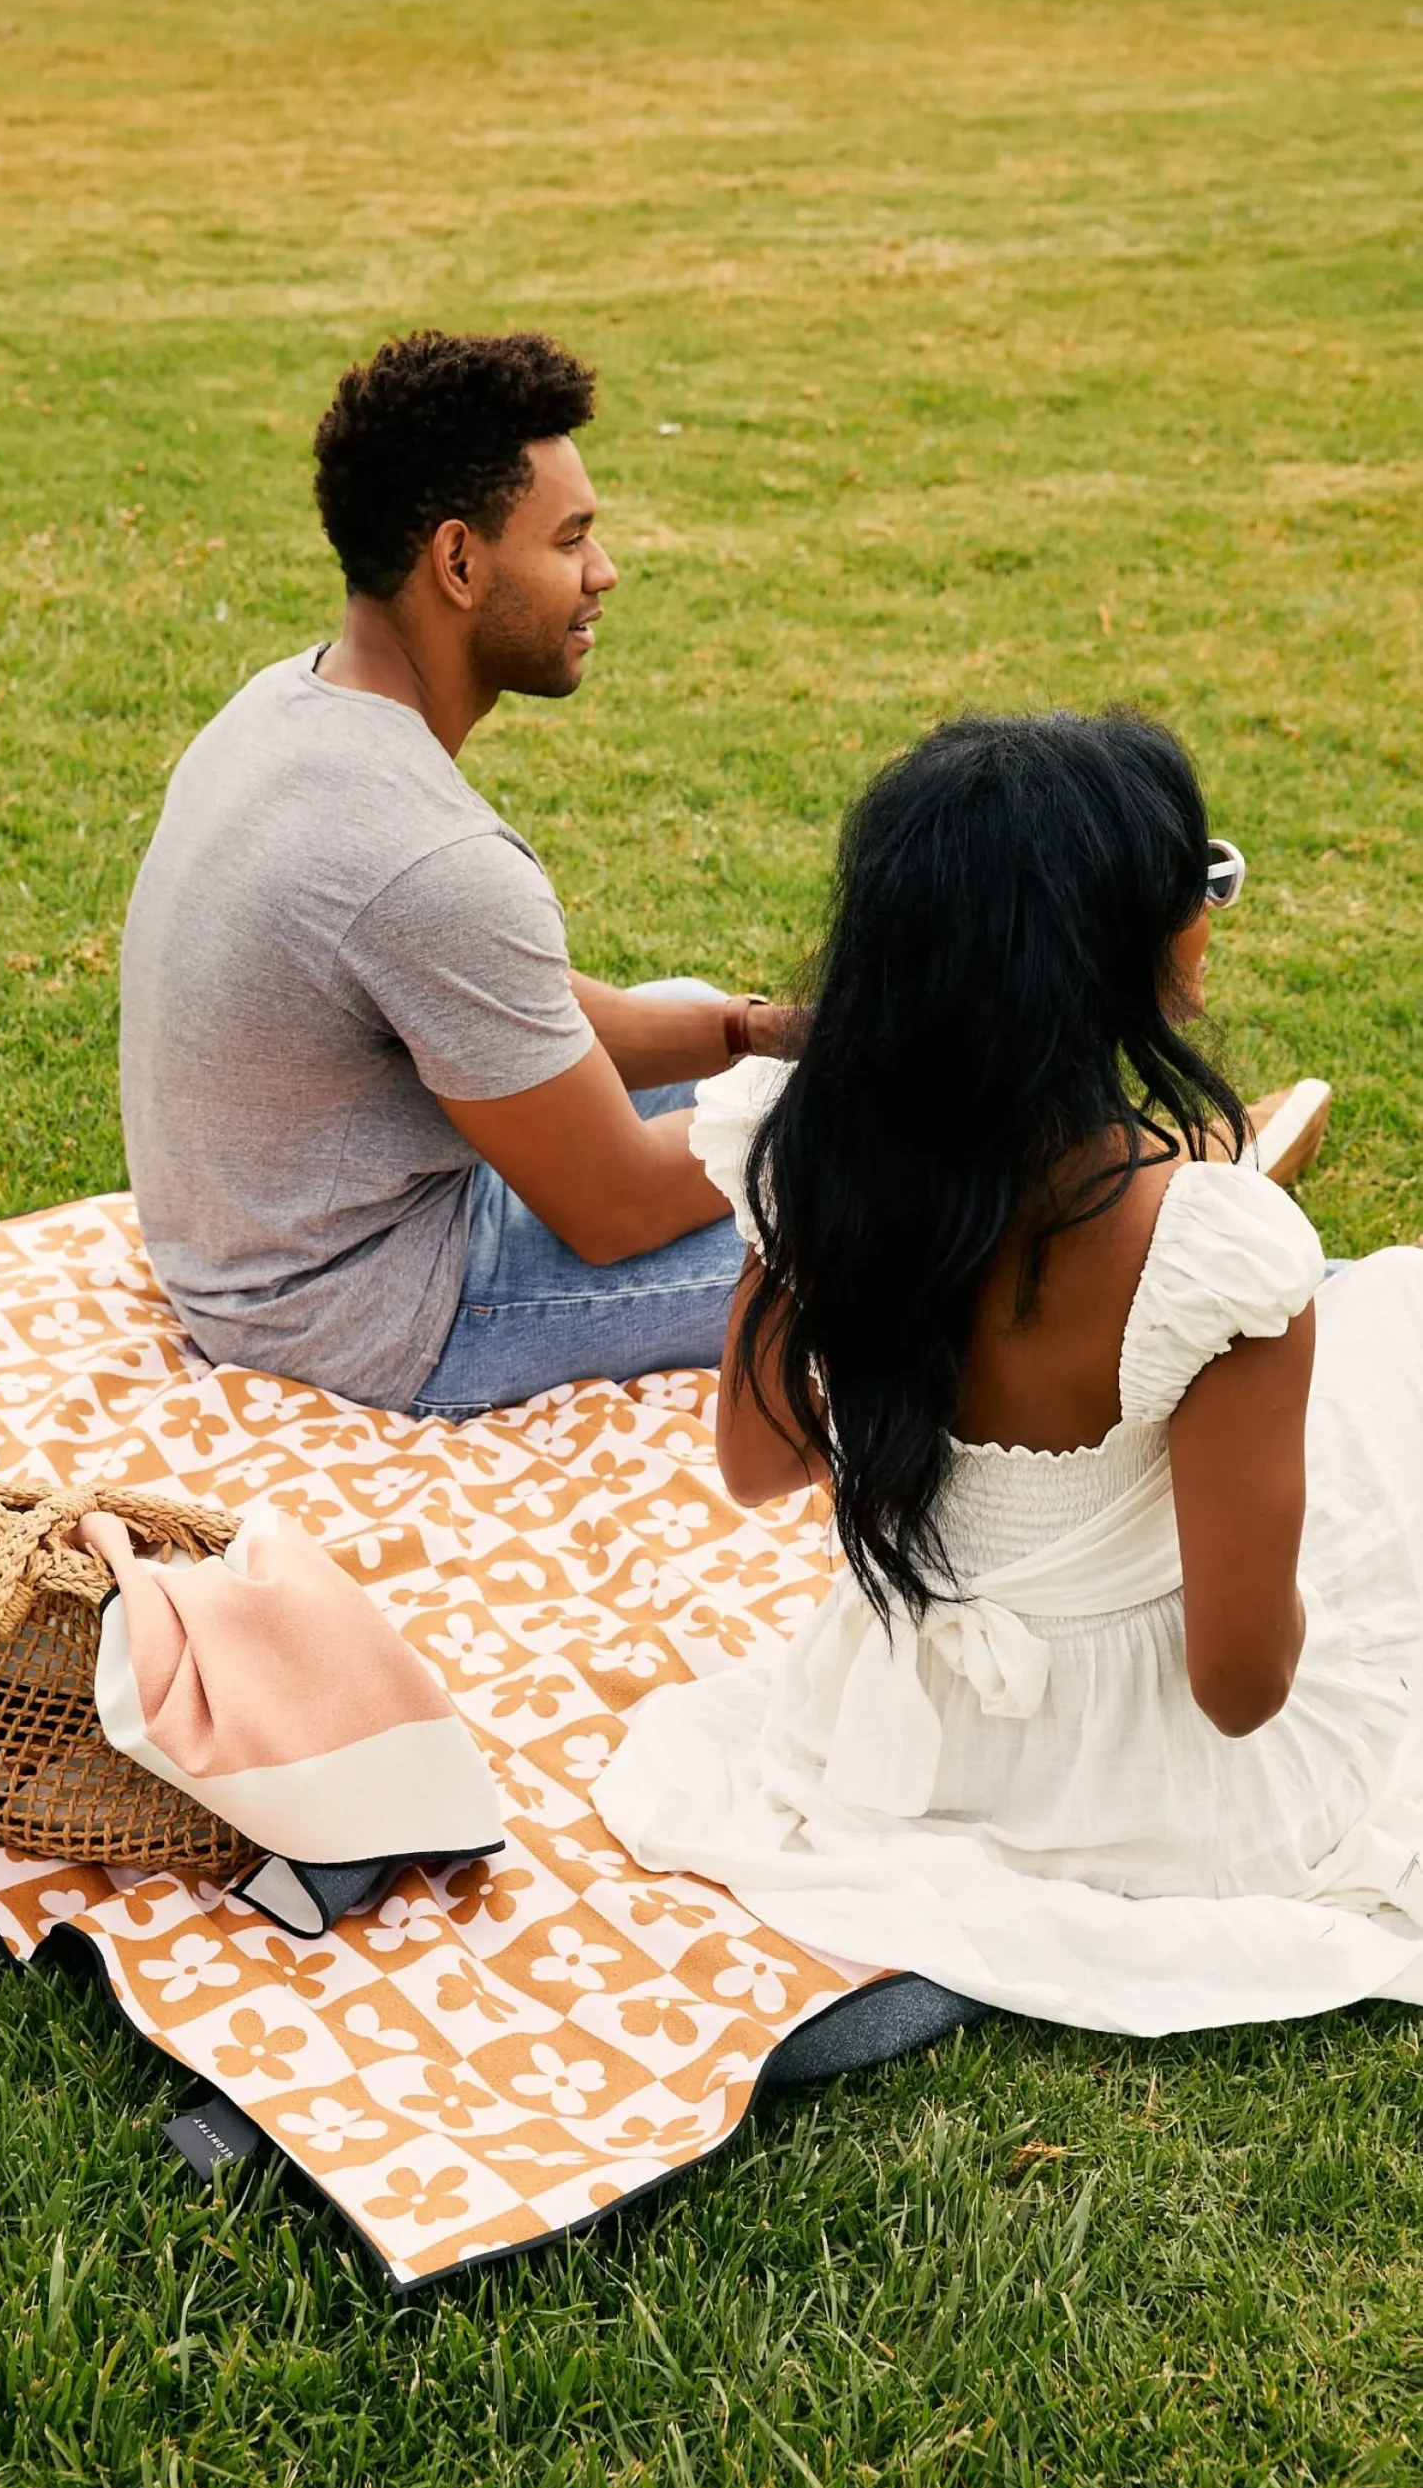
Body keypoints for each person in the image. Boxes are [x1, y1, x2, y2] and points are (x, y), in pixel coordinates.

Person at [595, 710, 1423, 2039]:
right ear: (1112, 948)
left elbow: (754, 1466)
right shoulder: (1212, 1254)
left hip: (887, 1733)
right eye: (1198, 880)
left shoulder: (807, 1158)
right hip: (1155, 1791)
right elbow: (1237, 1686)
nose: (1212, 909)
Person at [120, 329, 796, 1418]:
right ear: (458, 562)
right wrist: (848, 1108)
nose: (603, 572)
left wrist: (763, 1035)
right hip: (363, 1312)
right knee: (894, 1239)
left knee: (691, 1020)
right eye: (571, 538)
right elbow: (614, 1206)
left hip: (263, 1233)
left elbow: (499, 1007)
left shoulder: (286, 706)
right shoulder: (428, 861)